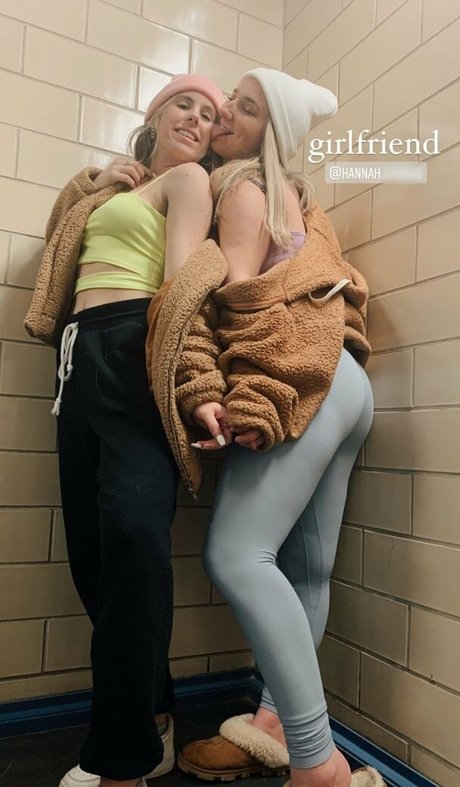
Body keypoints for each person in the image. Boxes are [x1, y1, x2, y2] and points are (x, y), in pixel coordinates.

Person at [146, 69, 384, 787]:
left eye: (244, 110)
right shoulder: (295, 198)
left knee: (236, 555)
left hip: (300, 380)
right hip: (345, 380)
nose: (224, 116)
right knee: (305, 569)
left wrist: (251, 397)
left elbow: (244, 299)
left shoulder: (243, 188)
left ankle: (318, 761)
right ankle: (276, 724)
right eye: (231, 103)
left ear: (269, 133)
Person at [24, 74, 225, 787]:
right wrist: (97, 181)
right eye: (184, 105)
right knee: (94, 561)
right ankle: (155, 720)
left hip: (135, 345)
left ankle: (121, 768)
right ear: (155, 114)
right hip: (76, 360)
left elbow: (182, 290)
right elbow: (58, 250)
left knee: (136, 545)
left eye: (210, 114)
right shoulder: (116, 189)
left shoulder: (189, 184)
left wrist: (197, 386)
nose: (196, 119)